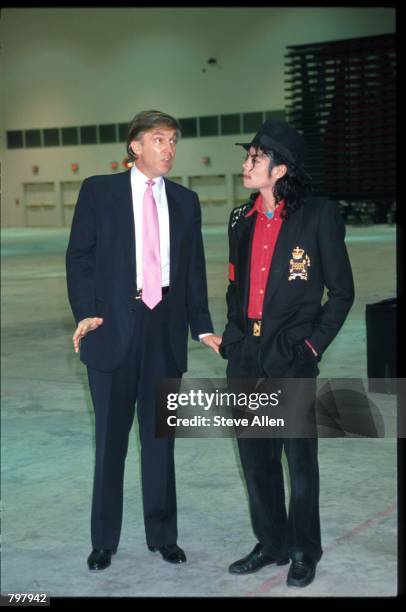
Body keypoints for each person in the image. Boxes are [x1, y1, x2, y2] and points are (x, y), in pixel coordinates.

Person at [66, 110, 222, 571]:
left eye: (173, 141)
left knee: (161, 441)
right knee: (110, 443)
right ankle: (104, 541)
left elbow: (193, 269)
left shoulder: (186, 200)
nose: (169, 149)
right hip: (112, 326)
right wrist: (87, 312)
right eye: (159, 140)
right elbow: (80, 256)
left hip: (164, 330)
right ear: (135, 146)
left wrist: (202, 325)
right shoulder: (99, 191)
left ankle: (163, 536)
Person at [219, 120, 354, 587]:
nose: (245, 164)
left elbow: (341, 292)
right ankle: (271, 542)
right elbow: (235, 285)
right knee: (256, 460)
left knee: (298, 462)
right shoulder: (241, 218)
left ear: (279, 168)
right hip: (246, 357)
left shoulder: (318, 216)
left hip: (291, 357)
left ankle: (303, 548)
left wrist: (312, 346)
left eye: (254, 157)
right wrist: (233, 336)